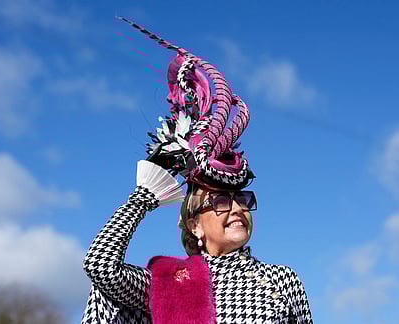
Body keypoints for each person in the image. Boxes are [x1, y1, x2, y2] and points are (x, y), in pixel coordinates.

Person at [81, 16, 313, 324]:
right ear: (194, 225)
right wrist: (146, 194)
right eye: (220, 201)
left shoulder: (281, 282)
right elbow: (100, 265)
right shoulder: (166, 282)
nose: (236, 208)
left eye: (241, 198)